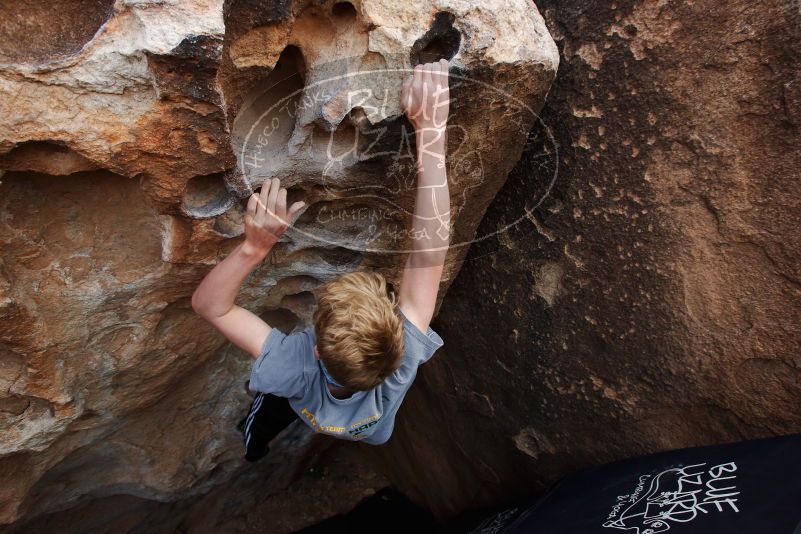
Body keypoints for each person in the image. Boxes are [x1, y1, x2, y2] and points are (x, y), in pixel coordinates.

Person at [192, 59, 451, 460]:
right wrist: (430, 132)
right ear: (398, 346)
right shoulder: (401, 364)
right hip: (369, 428)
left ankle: (255, 445)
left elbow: (211, 307)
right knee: (319, 414)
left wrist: (254, 248)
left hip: (304, 400)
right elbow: (430, 248)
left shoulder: (291, 368)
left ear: (315, 350)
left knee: (270, 408)